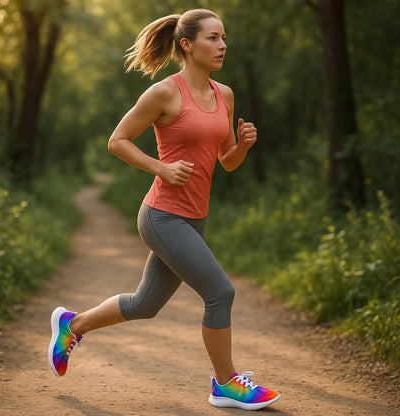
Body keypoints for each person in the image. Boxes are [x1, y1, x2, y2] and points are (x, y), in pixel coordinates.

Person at [48, 8, 280, 411]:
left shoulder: (222, 94)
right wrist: (160, 167)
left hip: (195, 216)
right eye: (212, 38)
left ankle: (73, 324)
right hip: (162, 215)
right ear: (187, 45)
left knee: (145, 304)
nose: (222, 45)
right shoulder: (164, 93)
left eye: (223, 38)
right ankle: (226, 385)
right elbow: (117, 140)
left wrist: (242, 145)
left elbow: (225, 160)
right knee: (220, 292)